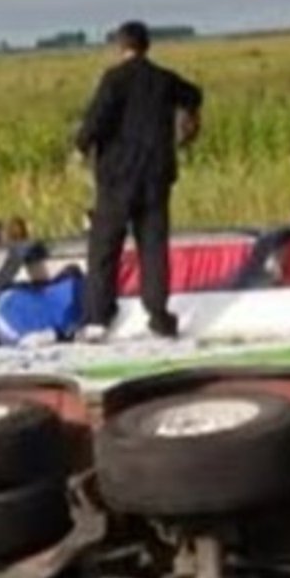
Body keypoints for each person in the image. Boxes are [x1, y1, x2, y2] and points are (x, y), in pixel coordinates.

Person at [75, 20, 203, 342]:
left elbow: (95, 122)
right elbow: (194, 94)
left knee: (105, 247)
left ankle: (99, 316)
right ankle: (158, 315)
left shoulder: (114, 79)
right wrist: (190, 119)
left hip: (118, 178)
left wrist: (81, 146)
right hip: (156, 177)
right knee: (154, 248)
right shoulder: (164, 79)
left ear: (121, 46)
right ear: (147, 46)